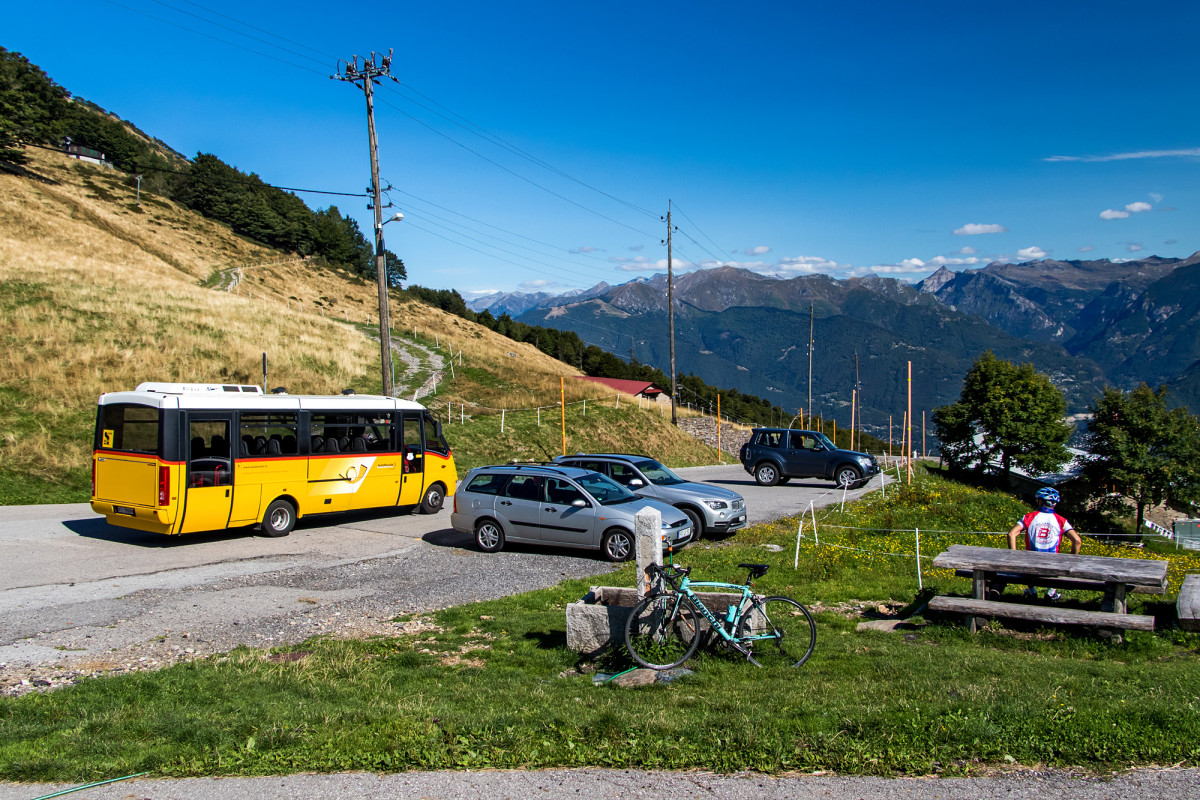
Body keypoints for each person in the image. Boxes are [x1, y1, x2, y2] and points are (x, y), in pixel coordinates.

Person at [1007, 487, 1081, 600]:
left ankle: (1032, 591)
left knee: (1027, 564)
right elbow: (1077, 541)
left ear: (1040, 501)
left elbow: (1011, 534)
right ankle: (1051, 592)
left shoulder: (1029, 517)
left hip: (1030, 567)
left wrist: (1014, 557)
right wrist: (1071, 561)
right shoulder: (1061, 520)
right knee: (1057, 566)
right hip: (1052, 567)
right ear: (1054, 504)